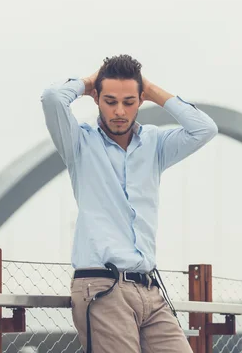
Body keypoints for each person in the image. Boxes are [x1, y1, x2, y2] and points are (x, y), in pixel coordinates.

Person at [40, 54, 218, 353]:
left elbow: (205, 129)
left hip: (149, 289)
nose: (119, 111)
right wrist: (87, 81)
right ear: (96, 98)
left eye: (129, 101)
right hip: (102, 287)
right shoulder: (79, 144)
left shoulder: (155, 144)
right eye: (110, 101)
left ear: (141, 100)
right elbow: (52, 98)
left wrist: (152, 89)